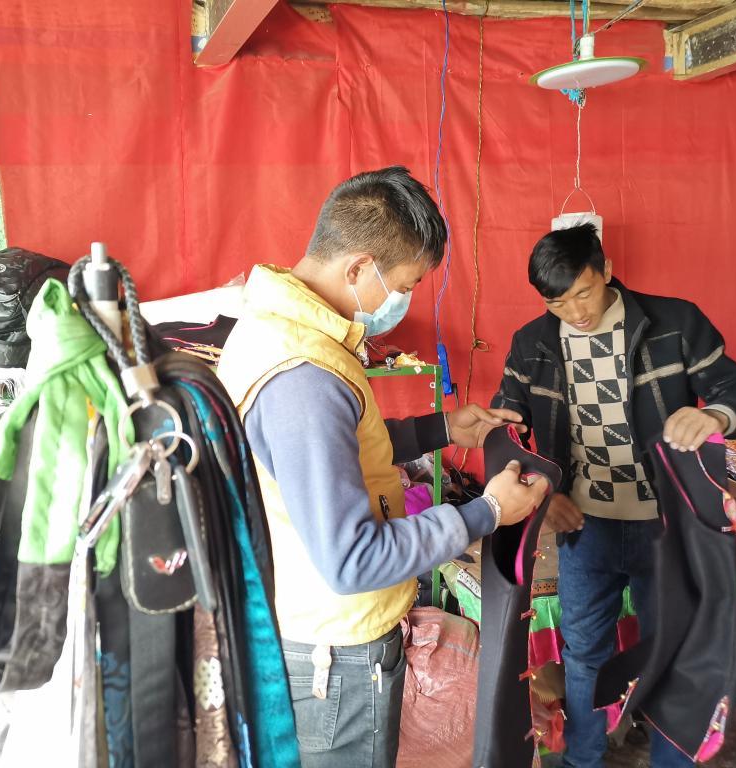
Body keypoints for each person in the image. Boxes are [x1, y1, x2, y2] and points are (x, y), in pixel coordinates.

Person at [217, 166, 549, 768]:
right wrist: (488, 511)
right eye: (405, 285)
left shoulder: (280, 331)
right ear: (358, 269)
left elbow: (337, 452)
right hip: (334, 650)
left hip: (312, 629)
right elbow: (354, 560)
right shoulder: (304, 376)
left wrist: (442, 429)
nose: (404, 301)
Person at [491, 223, 736, 767]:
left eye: (584, 293)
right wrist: (544, 496)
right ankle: (583, 761)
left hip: (665, 528)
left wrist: (714, 415)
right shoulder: (532, 344)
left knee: (672, 650)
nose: (575, 312)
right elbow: (508, 431)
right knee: (584, 657)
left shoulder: (674, 323)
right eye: (557, 302)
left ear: (608, 271)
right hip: (583, 529)